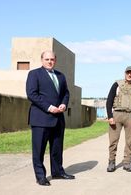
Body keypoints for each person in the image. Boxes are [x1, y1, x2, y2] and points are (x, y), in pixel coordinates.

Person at [26, 51, 75, 186]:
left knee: (57, 149)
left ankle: (58, 172)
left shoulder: (60, 76)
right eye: (47, 59)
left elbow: (66, 92)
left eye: (52, 59)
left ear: (55, 60)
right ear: (42, 60)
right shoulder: (34, 74)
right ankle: (40, 176)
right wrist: (48, 107)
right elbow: (31, 94)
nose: (49, 61)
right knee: (39, 150)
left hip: (58, 119)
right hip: (41, 119)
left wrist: (64, 103)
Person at [106, 66, 131, 172]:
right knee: (113, 140)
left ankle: (127, 162)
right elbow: (109, 100)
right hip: (117, 114)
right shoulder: (117, 84)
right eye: (128, 72)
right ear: (125, 73)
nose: (129, 74)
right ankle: (111, 162)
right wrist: (110, 116)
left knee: (130, 140)